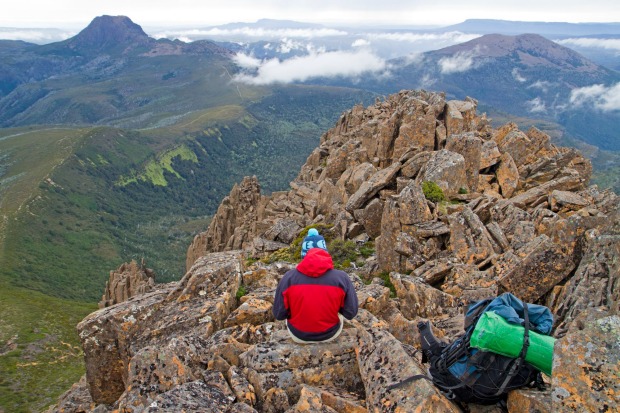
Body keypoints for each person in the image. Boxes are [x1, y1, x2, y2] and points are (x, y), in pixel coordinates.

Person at [272, 248, 358, 343]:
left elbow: (279, 315)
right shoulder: (341, 277)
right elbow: (350, 313)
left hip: (298, 335)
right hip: (330, 334)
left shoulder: (288, 277)